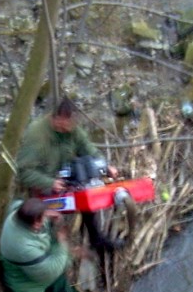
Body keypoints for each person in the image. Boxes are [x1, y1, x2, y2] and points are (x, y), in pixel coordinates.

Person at [15, 97, 121, 253]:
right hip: (43, 183)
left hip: (66, 176)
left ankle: (96, 239)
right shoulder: (36, 135)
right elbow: (23, 172)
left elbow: (87, 148)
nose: (71, 129)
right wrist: (49, 182)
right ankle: (53, 249)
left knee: (87, 188)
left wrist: (104, 166)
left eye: (72, 125)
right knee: (49, 216)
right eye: (67, 125)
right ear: (57, 119)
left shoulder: (73, 129)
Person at [0, 198, 95, 292]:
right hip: (25, 281)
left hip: (40, 264)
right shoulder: (22, 245)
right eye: (42, 219)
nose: (45, 220)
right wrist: (63, 245)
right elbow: (50, 271)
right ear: (36, 224)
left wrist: (47, 211)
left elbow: (17, 202)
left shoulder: (18, 212)